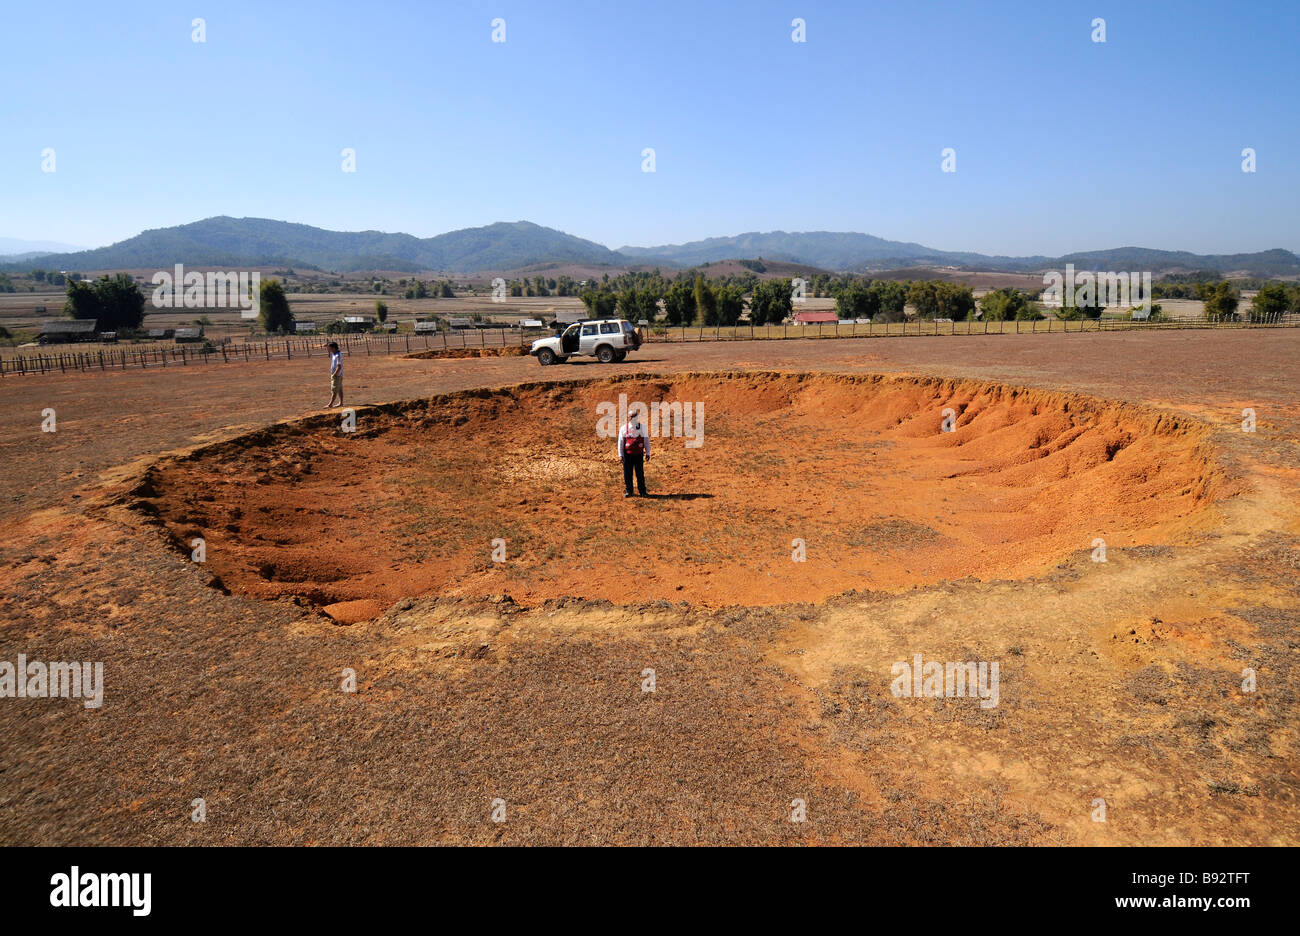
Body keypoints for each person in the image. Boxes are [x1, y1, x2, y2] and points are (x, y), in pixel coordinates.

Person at [617, 411, 650, 497]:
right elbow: (620, 442)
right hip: (627, 455)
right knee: (627, 473)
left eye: (634, 416)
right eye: (630, 417)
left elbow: (646, 441)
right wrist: (621, 455)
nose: (632, 418)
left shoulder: (643, 428)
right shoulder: (624, 428)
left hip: (638, 454)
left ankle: (642, 492)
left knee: (640, 474)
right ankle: (629, 491)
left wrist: (648, 452)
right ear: (628, 417)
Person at [326, 342, 344, 408]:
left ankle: (330, 404)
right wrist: (327, 345)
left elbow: (339, 366)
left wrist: (335, 374)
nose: (329, 350)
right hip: (339, 374)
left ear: (333, 348)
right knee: (339, 389)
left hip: (337, 375)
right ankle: (341, 403)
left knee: (334, 390)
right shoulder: (335, 353)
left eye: (330, 348)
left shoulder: (338, 355)